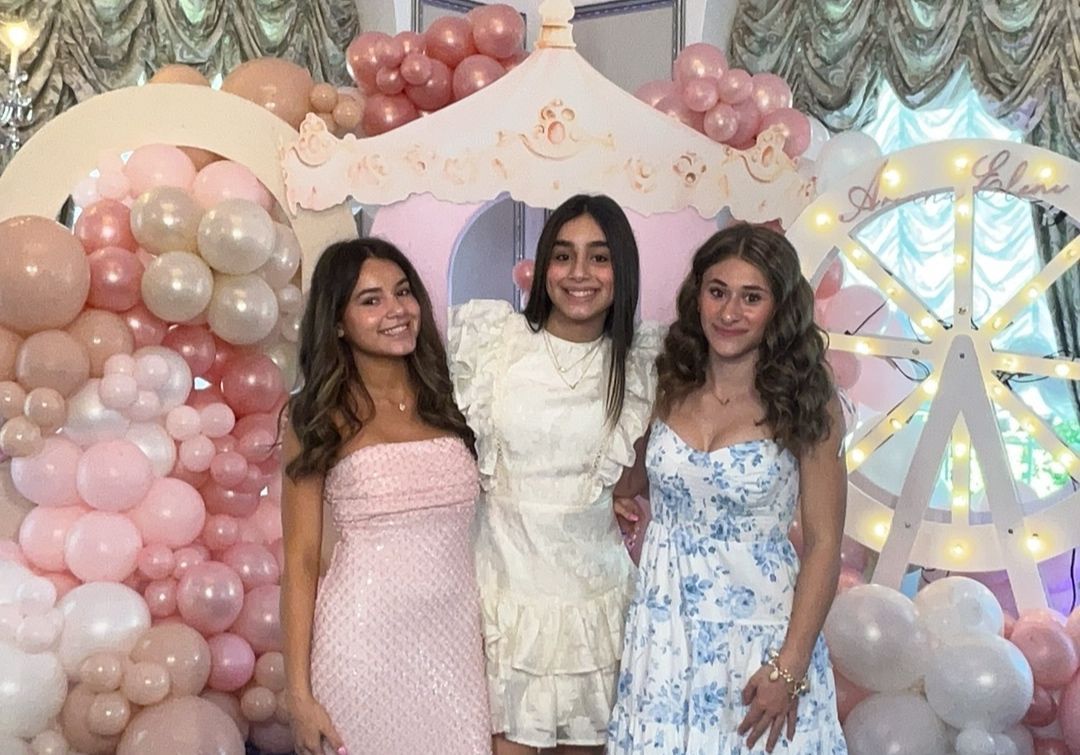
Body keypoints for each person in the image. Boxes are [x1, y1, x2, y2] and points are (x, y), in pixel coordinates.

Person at [607, 224, 848, 754]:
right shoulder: (668, 382)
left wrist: (790, 667)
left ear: (779, 308)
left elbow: (825, 544)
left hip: (761, 640)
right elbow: (629, 479)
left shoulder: (808, 399)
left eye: (751, 297)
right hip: (665, 635)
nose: (729, 312)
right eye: (717, 292)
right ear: (697, 296)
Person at [448, 194, 662, 754]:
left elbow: (636, 476)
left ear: (622, 268)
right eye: (563, 256)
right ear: (544, 266)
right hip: (501, 595)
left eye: (599, 257)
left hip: (594, 604)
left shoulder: (642, 361)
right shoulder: (495, 343)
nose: (578, 273)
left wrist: (621, 497)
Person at [281, 238, 491, 755]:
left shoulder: (454, 401)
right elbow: (301, 560)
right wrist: (299, 696)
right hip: (359, 649)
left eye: (403, 292)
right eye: (370, 300)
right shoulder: (317, 418)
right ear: (337, 322)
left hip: (456, 647)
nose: (396, 310)